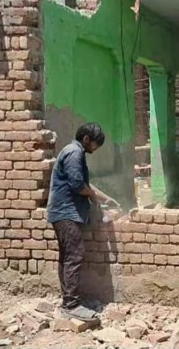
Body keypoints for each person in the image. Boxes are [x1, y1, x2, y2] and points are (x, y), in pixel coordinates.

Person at [46, 122, 119, 321]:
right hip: (66, 212)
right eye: (96, 144)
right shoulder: (74, 153)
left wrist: (105, 198)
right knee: (74, 255)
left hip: (63, 212)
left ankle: (69, 300)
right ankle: (71, 305)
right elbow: (78, 185)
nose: (96, 149)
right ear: (86, 139)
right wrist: (94, 198)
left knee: (67, 257)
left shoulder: (73, 152)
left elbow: (85, 184)